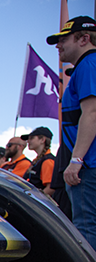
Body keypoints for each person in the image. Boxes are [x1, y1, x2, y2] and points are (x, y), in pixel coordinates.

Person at [48, 15, 96, 248]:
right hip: (88, 163)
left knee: (87, 228)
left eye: (63, 39)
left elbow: (92, 113)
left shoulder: (89, 63)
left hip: (88, 165)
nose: (59, 45)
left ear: (84, 39)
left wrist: (76, 160)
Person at [22, 127, 56, 193]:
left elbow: (50, 188)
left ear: (42, 140)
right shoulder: (37, 160)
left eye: (31, 138)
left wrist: (35, 200)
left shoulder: (48, 161)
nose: (28, 141)